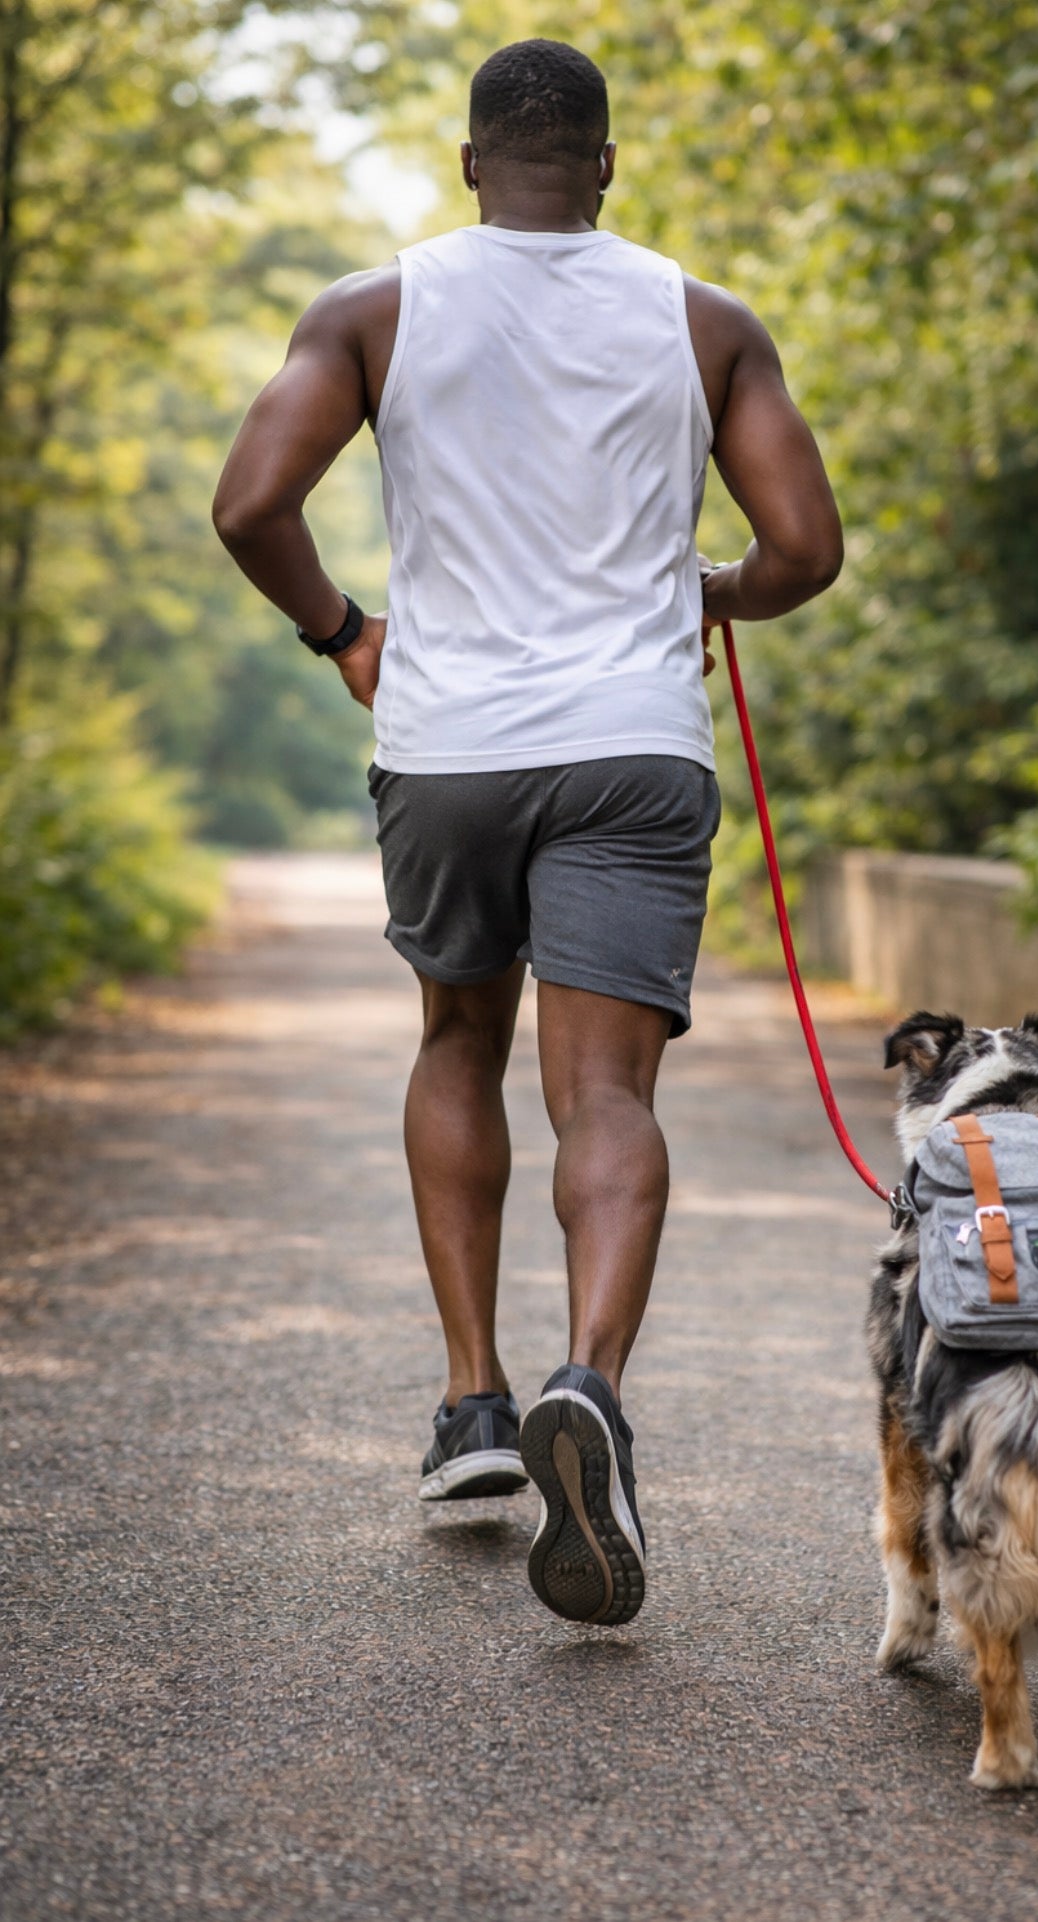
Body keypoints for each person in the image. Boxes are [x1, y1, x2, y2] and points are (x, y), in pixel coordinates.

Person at [212, 38, 842, 1627]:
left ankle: (474, 1410)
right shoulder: (704, 322)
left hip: (449, 747)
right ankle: (594, 1390)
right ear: (608, 165)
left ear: (471, 158)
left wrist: (346, 636)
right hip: (633, 742)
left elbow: (248, 505)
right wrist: (707, 593)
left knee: (455, 1044)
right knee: (607, 1090)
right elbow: (805, 548)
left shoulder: (374, 308)